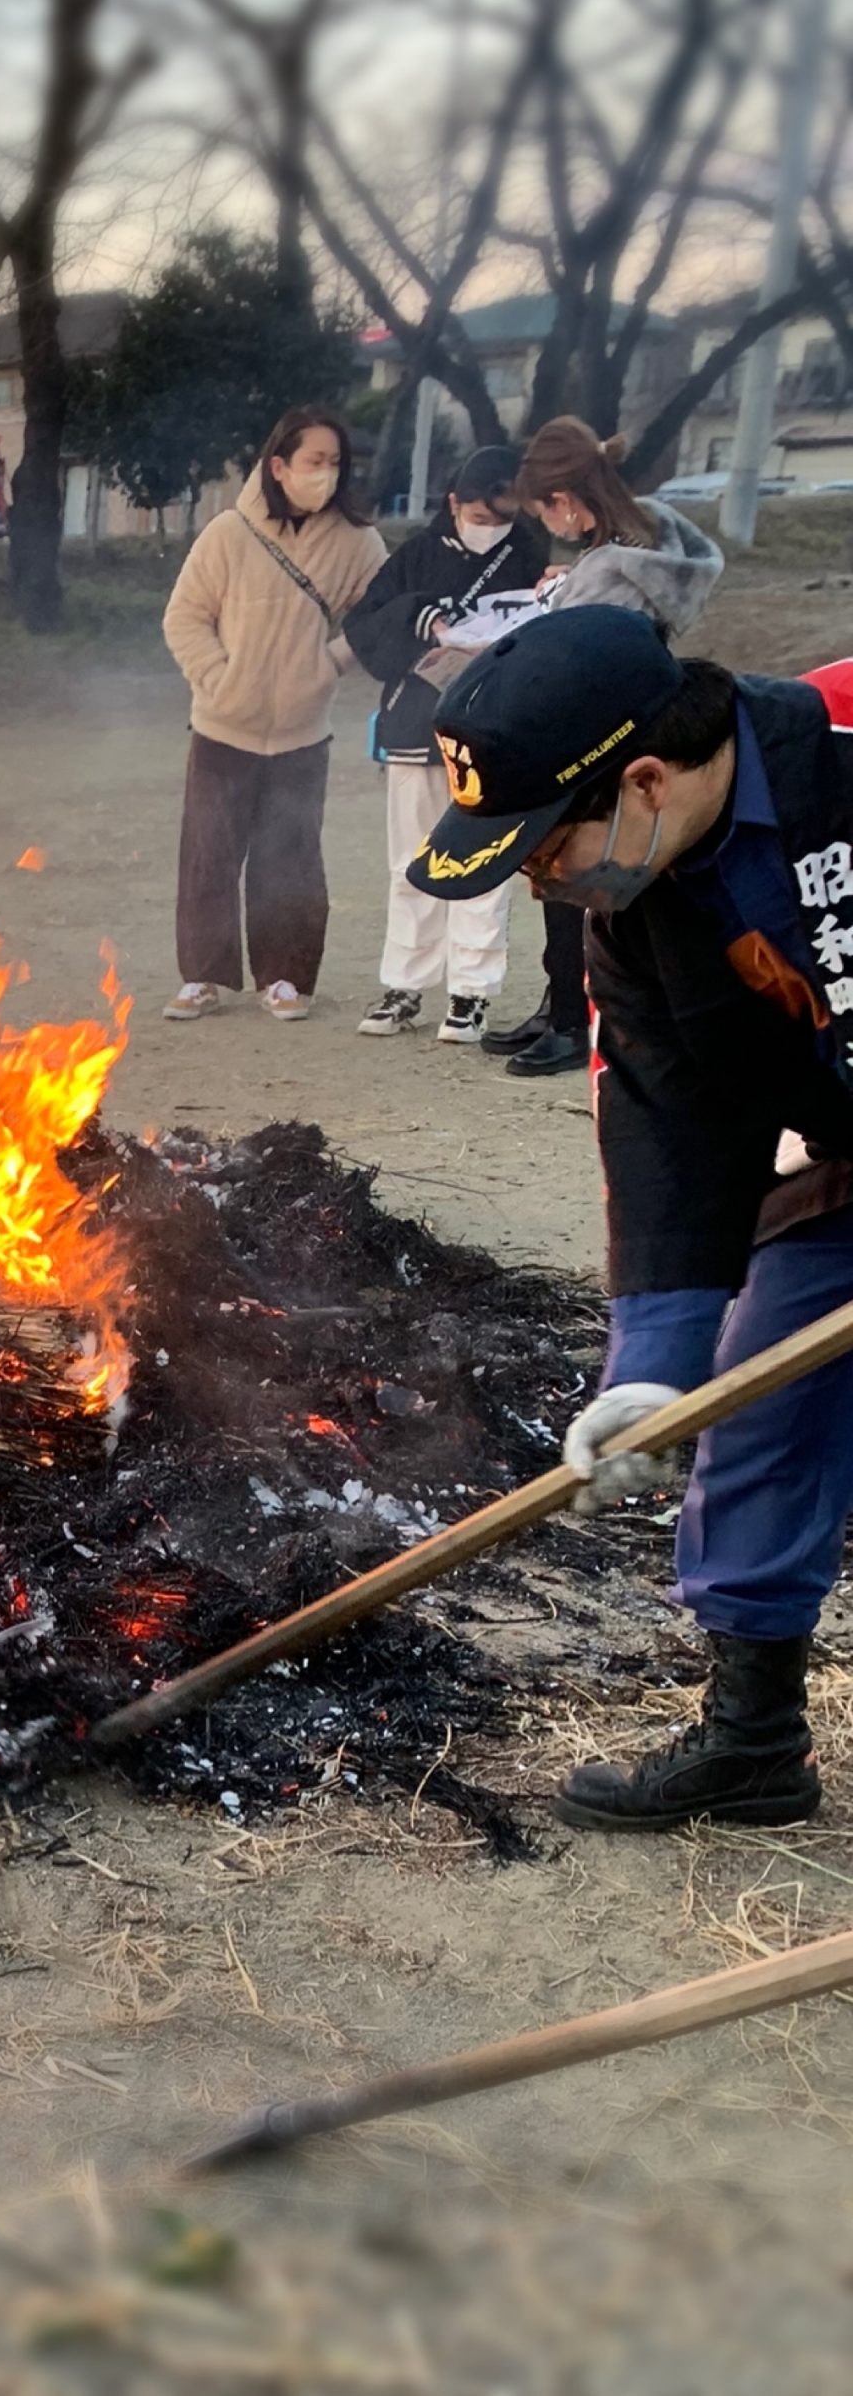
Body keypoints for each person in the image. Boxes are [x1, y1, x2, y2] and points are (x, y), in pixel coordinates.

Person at [410, 604, 853, 1829]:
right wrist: (653, 1374)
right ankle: (754, 1739)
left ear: (643, 779)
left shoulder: (845, 745)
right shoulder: (638, 913)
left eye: (546, 846)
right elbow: (663, 1130)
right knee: (757, 1388)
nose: (545, 878)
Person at [488, 418, 727, 1079]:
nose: (550, 524)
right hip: (630, 730)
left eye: (545, 512)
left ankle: (572, 1018)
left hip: (598, 740)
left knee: (573, 874)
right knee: (570, 879)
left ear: (565, 500)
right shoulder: (641, 543)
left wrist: (555, 605)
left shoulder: (609, 574)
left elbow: (574, 657)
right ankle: (560, 1001)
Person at [160, 405, 387, 1025]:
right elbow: (184, 619)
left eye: (336, 462)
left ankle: (286, 977)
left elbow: (381, 618)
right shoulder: (228, 534)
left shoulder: (358, 541)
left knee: (291, 859)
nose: (327, 474)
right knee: (208, 855)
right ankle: (203, 977)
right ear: (278, 466)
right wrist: (218, 679)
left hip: (302, 732)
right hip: (221, 727)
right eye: (315, 461)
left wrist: (330, 664)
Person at [343, 443, 547, 1043]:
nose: (491, 530)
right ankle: (404, 984)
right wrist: (424, 618)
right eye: (481, 517)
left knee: (485, 858)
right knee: (409, 861)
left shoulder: (529, 553)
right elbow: (364, 624)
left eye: (502, 519)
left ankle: (471, 994)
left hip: (492, 727)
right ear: (455, 502)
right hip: (416, 723)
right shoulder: (416, 554)